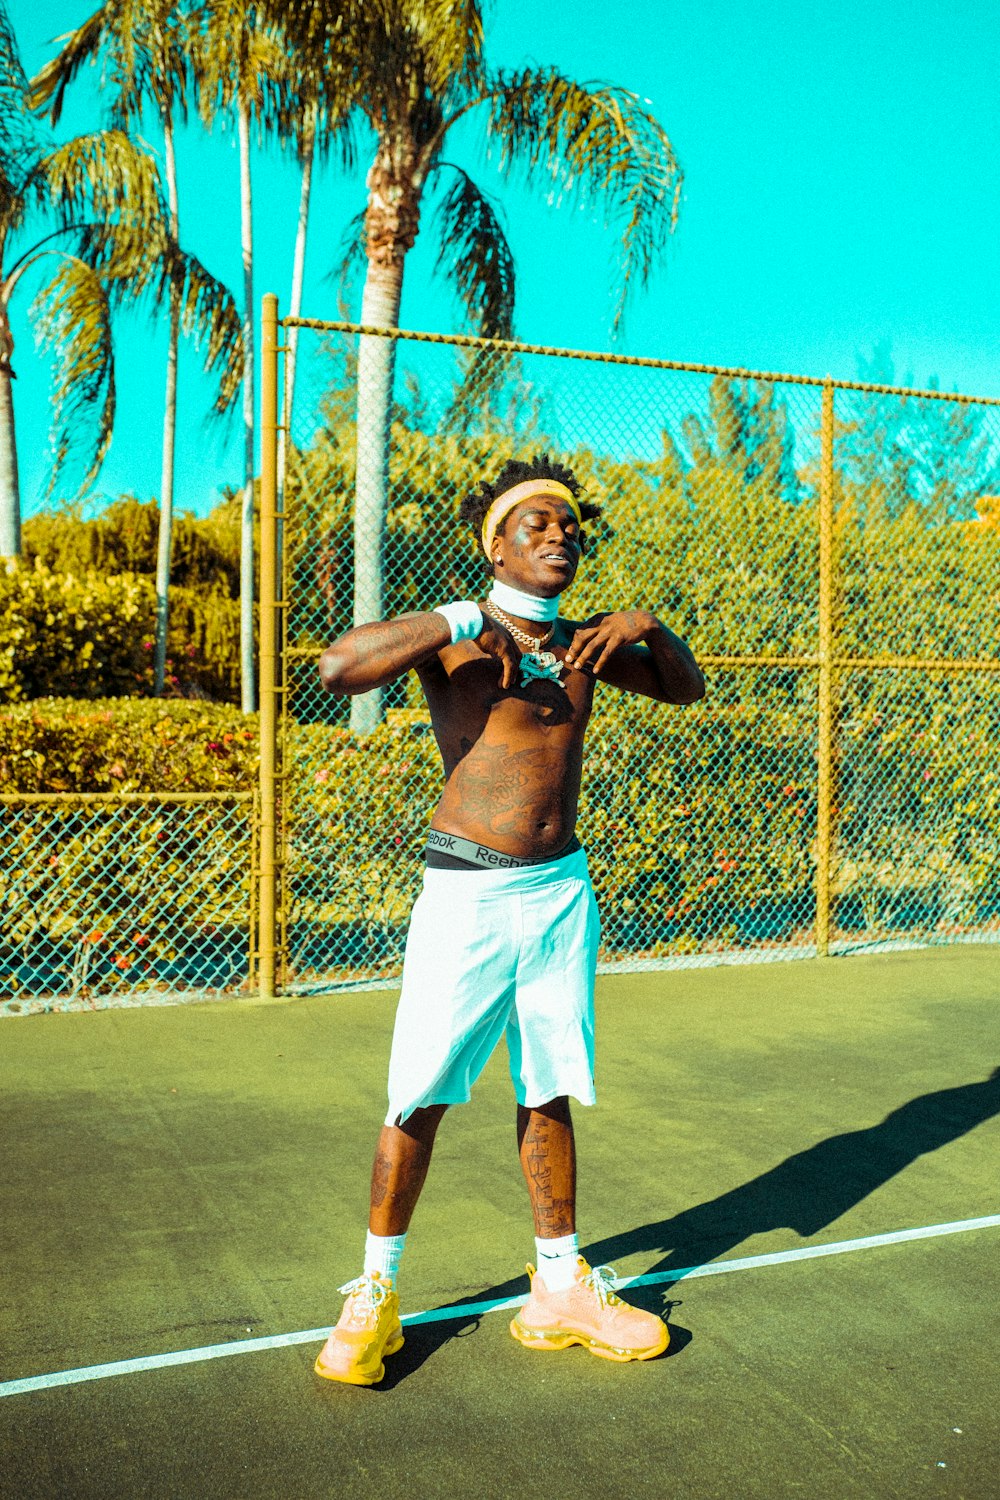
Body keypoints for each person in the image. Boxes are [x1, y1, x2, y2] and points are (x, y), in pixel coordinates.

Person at [314, 455, 705, 1385]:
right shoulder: (455, 637)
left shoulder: (586, 644)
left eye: (570, 528)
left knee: (549, 1087)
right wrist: (458, 618)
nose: (560, 537)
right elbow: (337, 668)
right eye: (536, 526)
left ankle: (561, 1288)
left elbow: (684, 689)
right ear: (495, 543)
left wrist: (649, 626)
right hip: (468, 894)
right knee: (421, 1092)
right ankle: (375, 1294)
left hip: (560, 892)